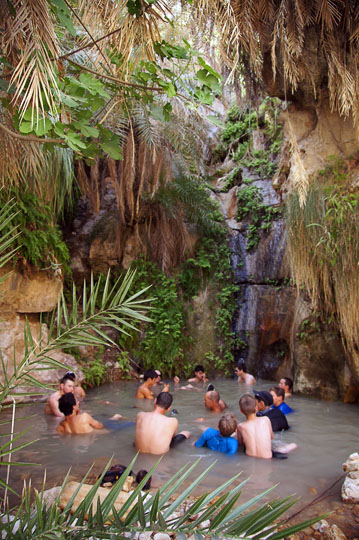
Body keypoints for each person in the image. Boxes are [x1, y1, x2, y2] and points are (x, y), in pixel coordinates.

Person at [237, 394, 296, 459]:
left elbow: (241, 445)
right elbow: (271, 437)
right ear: (256, 408)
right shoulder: (265, 419)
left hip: (250, 457)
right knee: (293, 445)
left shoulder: (240, 426)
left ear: (241, 411)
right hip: (268, 457)